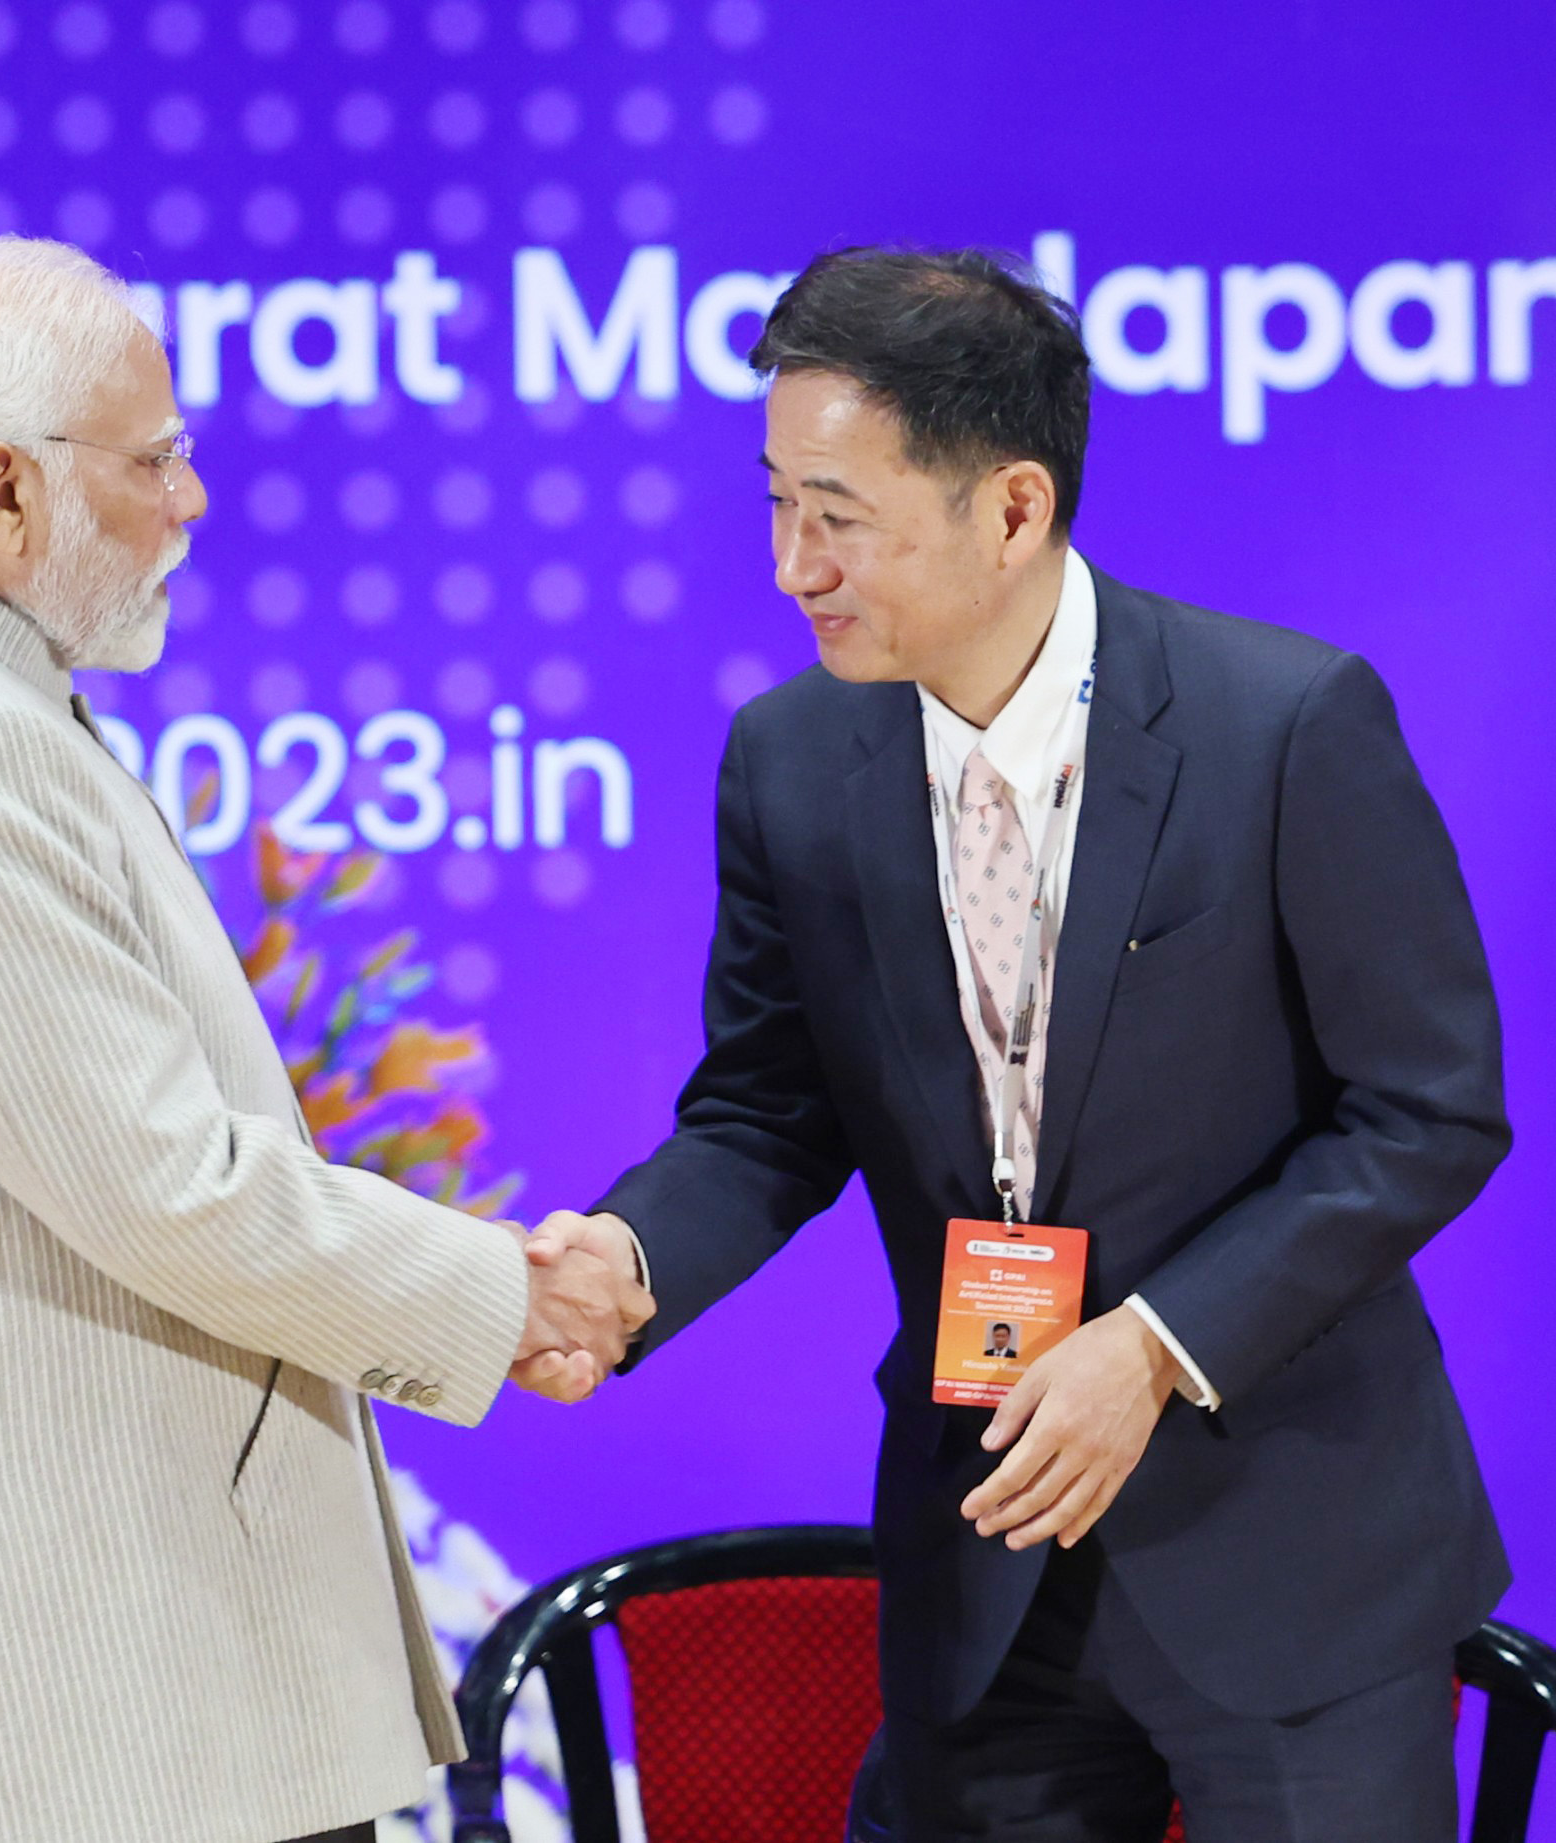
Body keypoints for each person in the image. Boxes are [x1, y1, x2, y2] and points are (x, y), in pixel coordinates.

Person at [519, 247, 1509, 1839]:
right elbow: (768, 1114)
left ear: (1011, 509)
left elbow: (1426, 1110)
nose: (789, 565)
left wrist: (1155, 1343)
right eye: (773, 501)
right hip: (984, 1565)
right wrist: (629, 1262)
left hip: (1291, 1568)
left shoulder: (1282, 728)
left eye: (835, 515)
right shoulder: (790, 761)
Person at [0, 237, 650, 1843]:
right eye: (157, 458)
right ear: (2, 488)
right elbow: (164, 1186)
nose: (191, 499)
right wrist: (501, 1298)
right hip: (55, 1719)